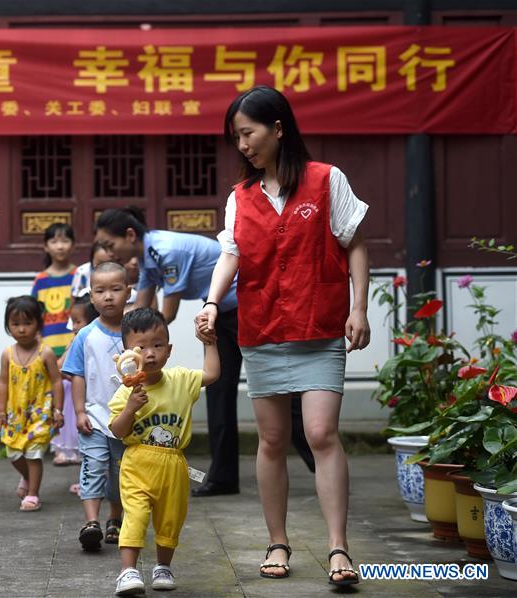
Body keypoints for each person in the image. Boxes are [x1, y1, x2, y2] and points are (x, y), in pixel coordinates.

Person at [195, 85, 370, 586]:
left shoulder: (326, 179)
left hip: (319, 324)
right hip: (263, 325)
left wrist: (360, 308)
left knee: (320, 434)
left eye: (247, 133)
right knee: (271, 439)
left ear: (278, 128)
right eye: (236, 138)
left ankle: (338, 548)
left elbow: (354, 244)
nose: (242, 145)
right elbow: (231, 253)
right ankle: (278, 540)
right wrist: (211, 302)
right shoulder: (240, 196)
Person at [94, 208, 314, 497]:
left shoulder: (166, 251)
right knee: (218, 391)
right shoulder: (149, 258)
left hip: (252, 310)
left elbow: (164, 317)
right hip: (220, 314)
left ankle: (320, 461)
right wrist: (114, 334)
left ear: (130, 235)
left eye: (111, 246)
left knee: (277, 389)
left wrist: (139, 345)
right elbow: (142, 312)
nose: (110, 254)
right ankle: (223, 478)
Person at [108, 308, 221, 595]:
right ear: (126, 355)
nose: (149, 353)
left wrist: (209, 341)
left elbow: (212, 373)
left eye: (157, 345)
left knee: (170, 518)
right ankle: (127, 571)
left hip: (174, 464)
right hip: (137, 461)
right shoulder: (125, 392)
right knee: (134, 514)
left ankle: (163, 567)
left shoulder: (180, 379)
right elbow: (117, 431)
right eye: (140, 347)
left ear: (169, 350)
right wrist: (132, 408)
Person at [61, 262, 132, 551]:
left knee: (120, 472)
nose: (108, 297)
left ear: (128, 292)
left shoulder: (134, 332)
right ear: (91, 296)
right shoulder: (85, 336)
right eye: (100, 291)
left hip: (126, 420)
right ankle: (91, 522)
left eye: (116, 289)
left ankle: (115, 519)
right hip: (93, 417)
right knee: (93, 467)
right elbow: (77, 375)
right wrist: (79, 412)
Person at [0, 296, 65, 511]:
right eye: (16, 324)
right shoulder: (7, 354)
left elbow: (56, 381)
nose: (22, 329)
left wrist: (58, 410)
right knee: (14, 454)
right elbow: (3, 382)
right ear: (8, 326)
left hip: (39, 413)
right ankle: (27, 477)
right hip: (15, 413)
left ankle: (33, 494)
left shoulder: (46, 352)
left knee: (34, 453)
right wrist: (1, 411)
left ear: (38, 323)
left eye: (28, 323)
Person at [53, 295, 98, 471]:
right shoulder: (76, 341)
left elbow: (60, 366)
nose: (74, 327)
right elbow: (61, 367)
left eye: (78, 322)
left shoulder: (83, 340)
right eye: (73, 322)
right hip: (75, 392)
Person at [31, 222, 77, 360]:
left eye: (65, 241)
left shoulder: (78, 275)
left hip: (75, 345)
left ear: (73, 245)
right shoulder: (40, 280)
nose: (60, 246)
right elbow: (34, 314)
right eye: (54, 241)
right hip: (46, 348)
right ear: (46, 246)